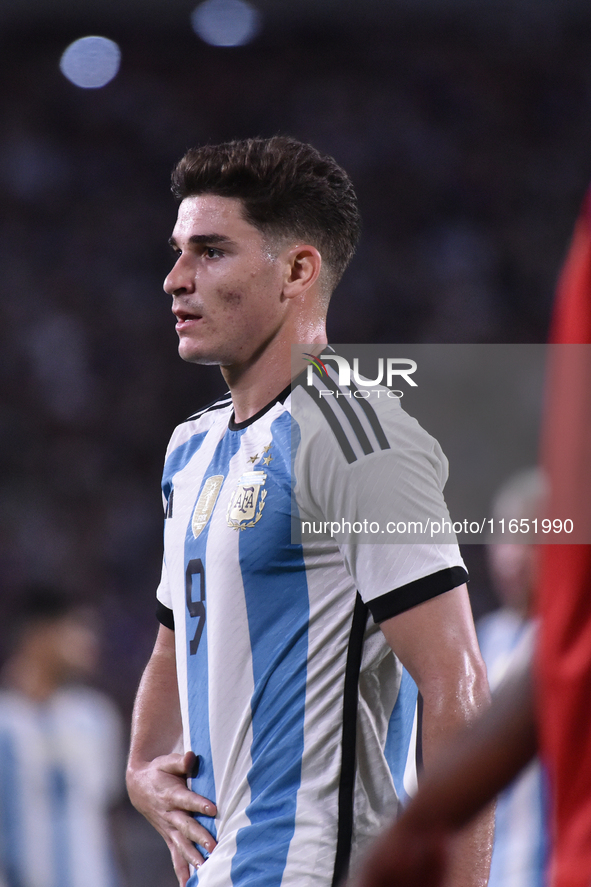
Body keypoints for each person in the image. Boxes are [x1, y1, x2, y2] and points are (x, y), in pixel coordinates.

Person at [125, 136, 493, 887]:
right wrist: (139, 772)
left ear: (297, 270)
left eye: (211, 252)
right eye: (177, 251)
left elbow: (455, 687)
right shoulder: (189, 448)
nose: (174, 279)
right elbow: (175, 641)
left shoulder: (361, 437)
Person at [0, 585, 125, 887]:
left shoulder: (96, 718)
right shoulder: (5, 724)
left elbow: (106, 821)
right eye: (78, 628)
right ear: (40, 635)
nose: (89, 641)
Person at [477, 469, 548, 887]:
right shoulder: (479, 642)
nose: (512, 556)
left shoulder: (567, 649)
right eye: (505, 535)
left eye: (532, 540)